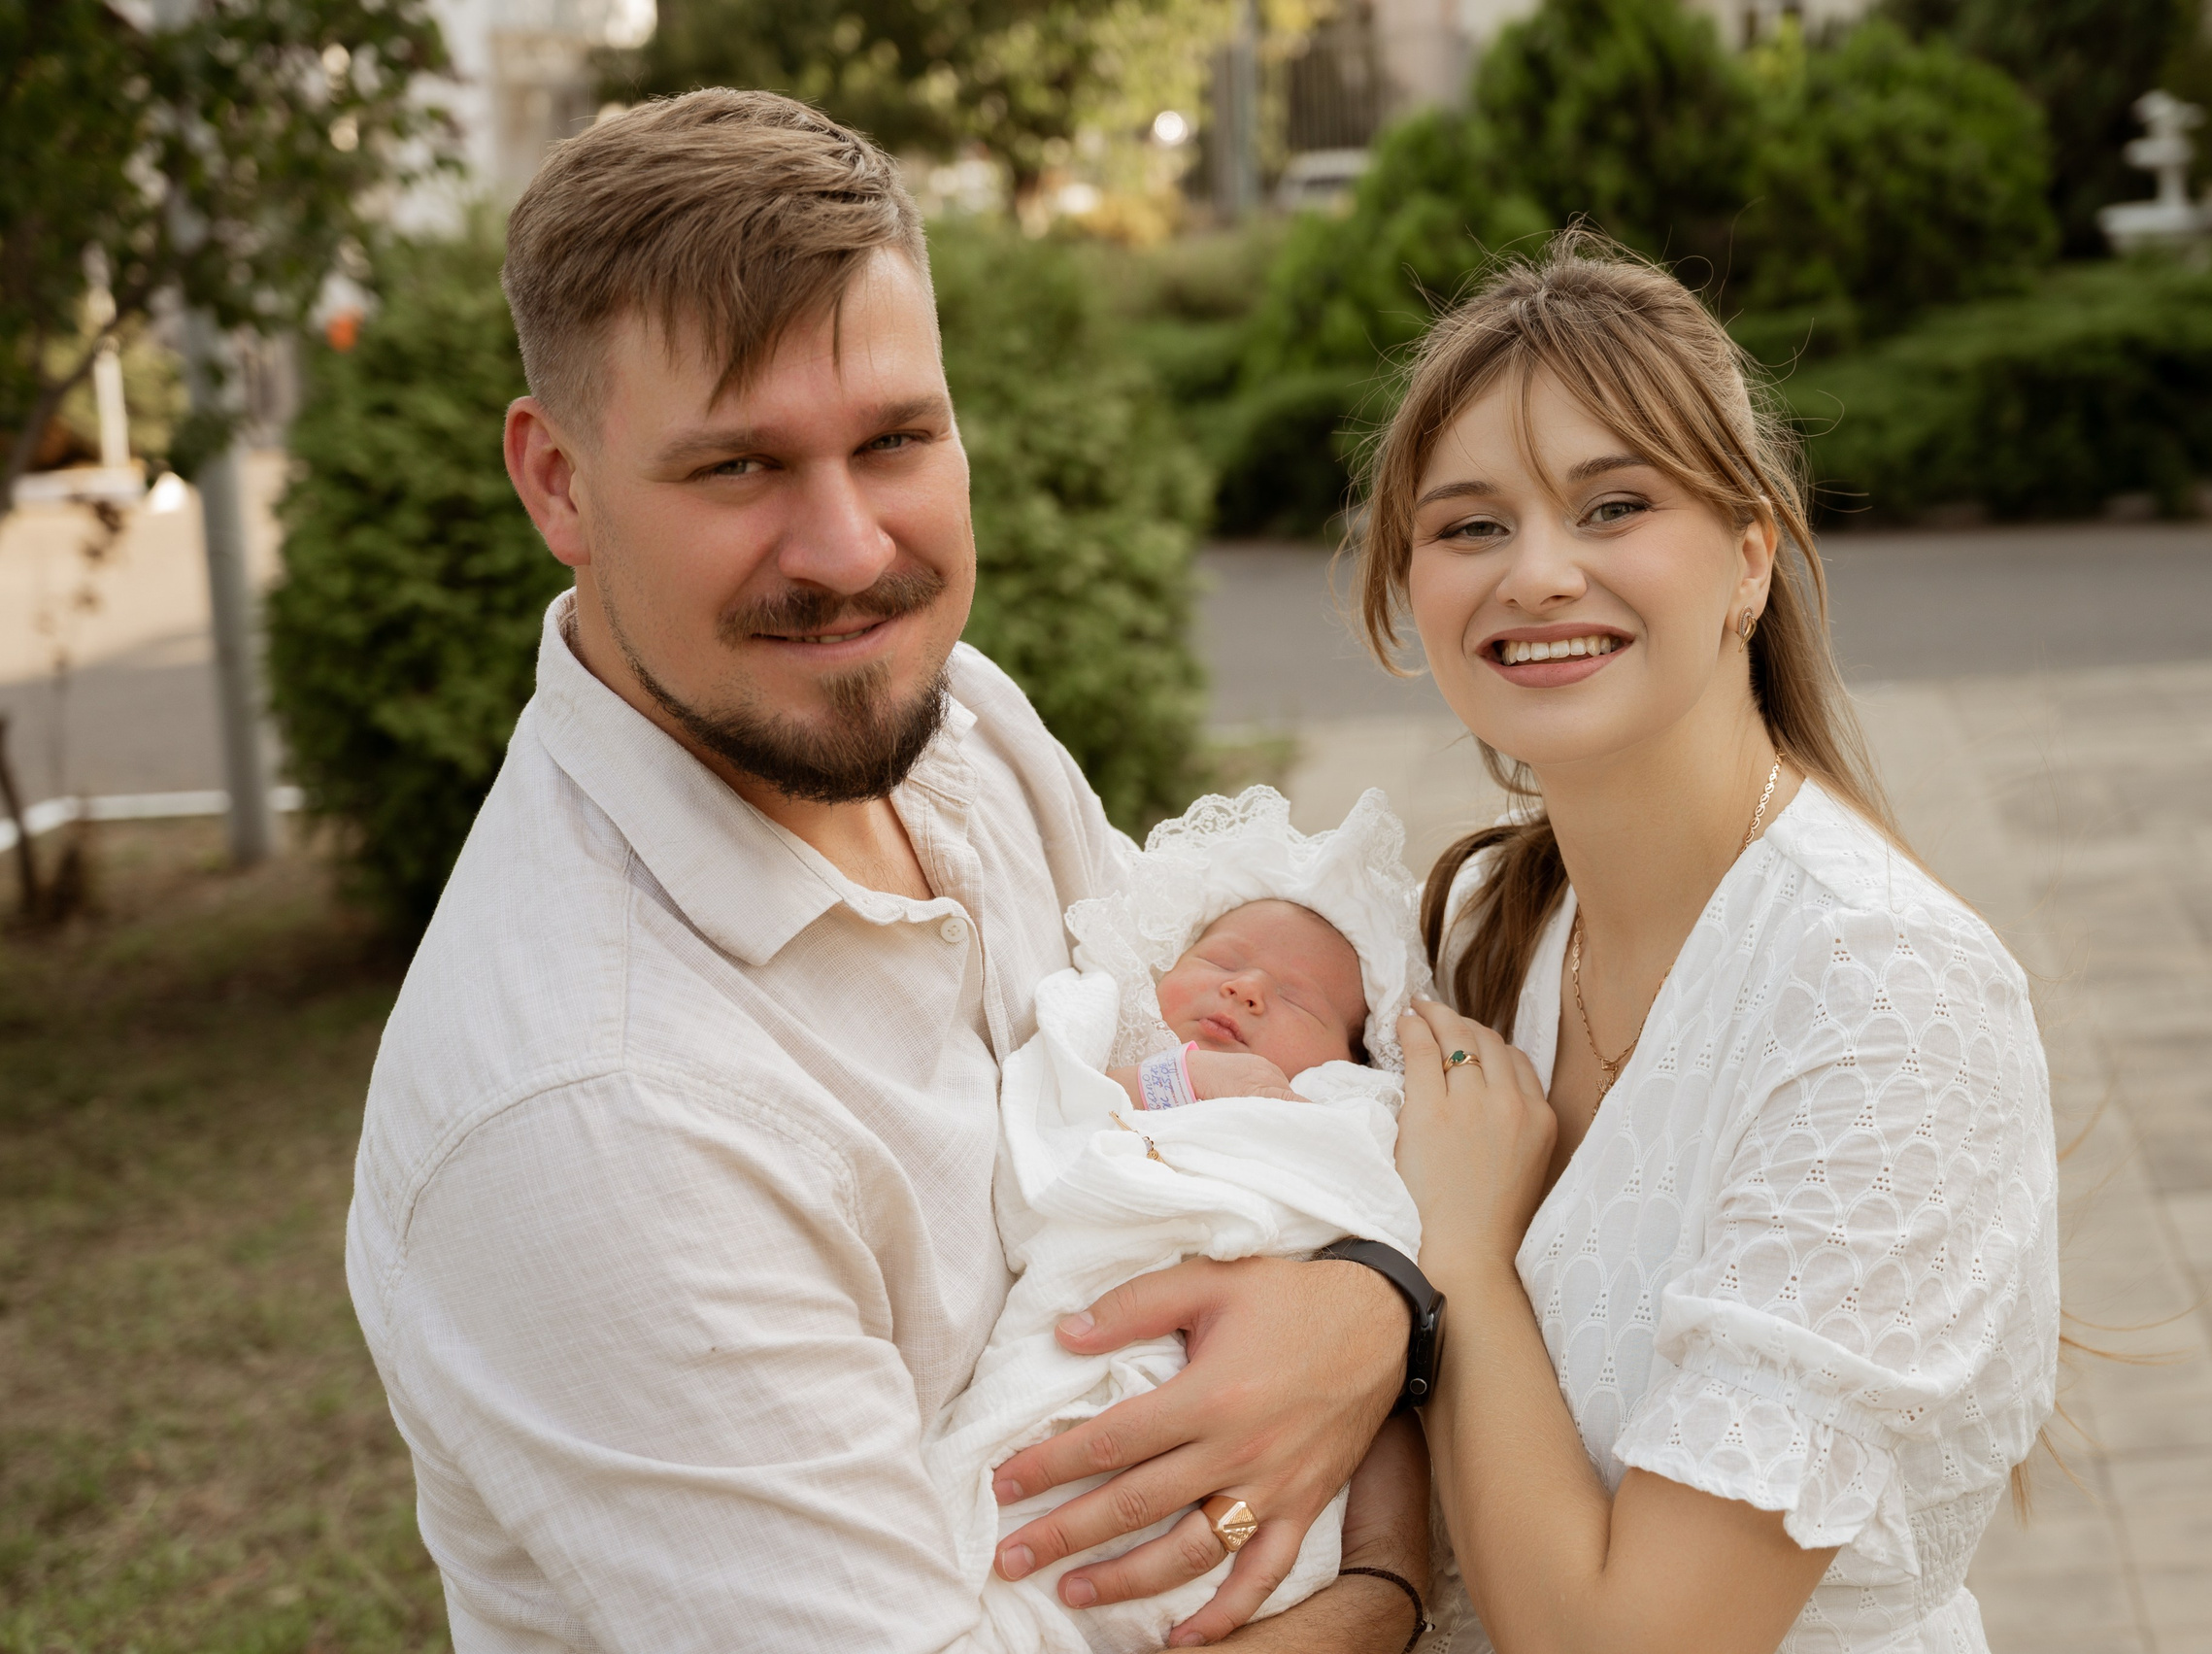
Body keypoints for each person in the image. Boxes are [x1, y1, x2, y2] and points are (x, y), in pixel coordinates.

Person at [343, 89, 1432, 1653]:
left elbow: (1215, 1086)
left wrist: (1374, 1300)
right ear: (557, 482)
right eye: (737, 469)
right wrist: (1390, 1563)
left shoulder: (952, 727)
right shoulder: (598, 1114)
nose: (851, 550)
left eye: (897, 437)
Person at [1354, 233, 2061, 1652]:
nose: (1538, 572)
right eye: (1471, 525)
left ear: (1750, 559)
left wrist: (1473, 1259)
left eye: (1613, 505)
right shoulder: (1500, 925)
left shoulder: (1881, 993)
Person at [929, 786, 1435, 1653]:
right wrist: (1167, 1085)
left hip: (1268, 1414)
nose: (1244, 988)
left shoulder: (1350, 1112)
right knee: (1006, 1529)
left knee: (1234, 1567)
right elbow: (1042, 1150)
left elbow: (1380, 1214)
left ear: (1352, 1057)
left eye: (1300, 1002)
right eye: (1221, 957)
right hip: (1085, 1336)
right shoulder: (1107, 1049)